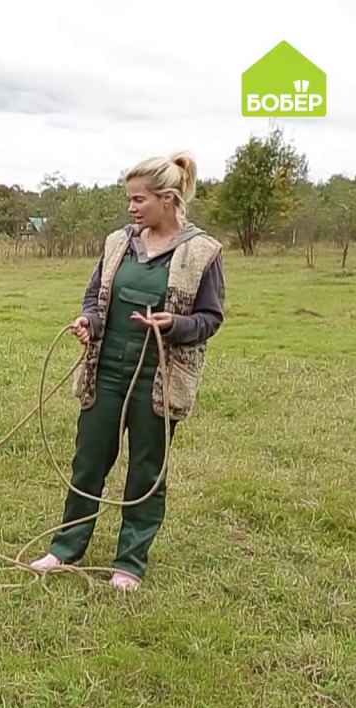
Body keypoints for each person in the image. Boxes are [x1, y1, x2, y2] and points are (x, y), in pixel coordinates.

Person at [29, 152, 226, 591]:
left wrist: (175, 325)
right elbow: (95, 298)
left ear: (169, 199)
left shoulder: (201, 252)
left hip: (158, 380)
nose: (132, 208)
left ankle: (130, 563)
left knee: (146, 471)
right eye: (130, 200)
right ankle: (64, 550)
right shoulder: (119, 242)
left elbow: (211, 319)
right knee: (88, 462)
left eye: (139, 200)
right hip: (107, 373)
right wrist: (88, 322)